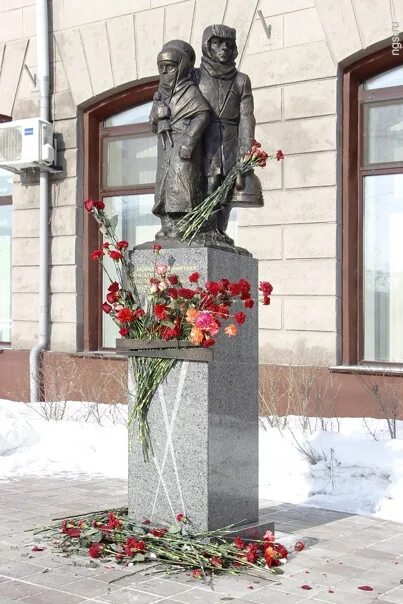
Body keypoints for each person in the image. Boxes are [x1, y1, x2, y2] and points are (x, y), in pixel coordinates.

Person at [195, 25, 256, 243]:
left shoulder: (241, 80)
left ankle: (219, 230)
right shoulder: (195, 76)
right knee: (209, 184)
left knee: (228, 187)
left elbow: (247, 116)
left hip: (230, 137)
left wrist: (246, 148)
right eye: (217, 43)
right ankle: (204, 227)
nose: (224, 48)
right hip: (204, 137)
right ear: (207, 46)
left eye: (229, 45)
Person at [150, 40, 210, 239]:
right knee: (164, 186)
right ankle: (166, 224)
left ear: (182, 66)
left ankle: (183, 223)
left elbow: (202, 114)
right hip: (165, 147)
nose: (166, 72)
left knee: (183, 184)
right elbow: (152, 125)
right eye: (162, 68)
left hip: (183, 147)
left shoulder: (189, 91)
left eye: (171, 67)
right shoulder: (160, 96)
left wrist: (189, 142)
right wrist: (157, 116)